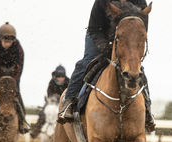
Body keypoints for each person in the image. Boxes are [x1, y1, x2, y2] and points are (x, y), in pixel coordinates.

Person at [57, 0, 155, 132]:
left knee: (138, 69)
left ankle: (147, 110)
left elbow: (141, 30)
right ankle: (68, 102)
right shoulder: (101, 2)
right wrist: (106, 47)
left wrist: (129, 48)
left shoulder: (140, 2)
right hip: (98, 35)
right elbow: (94, 29)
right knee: (86, 62)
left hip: (127, 38)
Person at [30, 65, 69, 138]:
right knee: (42, 113)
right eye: (59, 77)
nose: (60, 79)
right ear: (56, 76)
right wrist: (54, 98)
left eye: (62, 77)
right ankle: (36, 130)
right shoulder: (52, 82)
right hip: (52, 102)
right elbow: (49, 93)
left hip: (65, 102)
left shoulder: (68, 81)